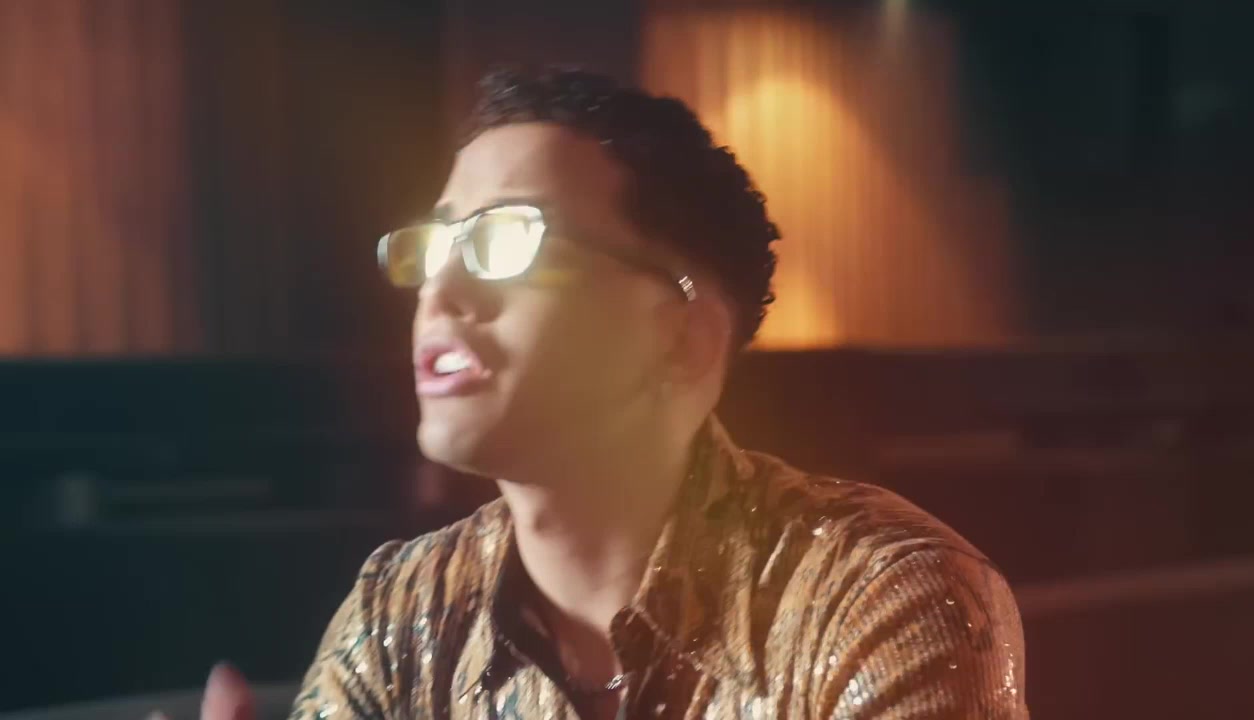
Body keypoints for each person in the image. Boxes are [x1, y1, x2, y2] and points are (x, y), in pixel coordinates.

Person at [199, 67, 1027, 719]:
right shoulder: (400, 612)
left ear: (684, 338)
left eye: (507, 240)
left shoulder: (877, 595)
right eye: (438, 243)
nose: (440, 290)